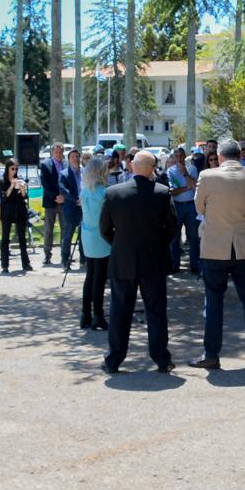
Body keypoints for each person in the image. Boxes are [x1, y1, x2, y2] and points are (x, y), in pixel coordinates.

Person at [98, 151, 178, 374]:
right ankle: (162, 359)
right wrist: (157, 244)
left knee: (120, 311)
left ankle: (114, 360)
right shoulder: (162, 193)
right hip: (153, 260)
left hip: (123, 260)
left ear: (132, 166)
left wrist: (120, 245)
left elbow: (104, 228)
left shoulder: (113, 193)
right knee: (156, 311)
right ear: (152, 169)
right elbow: (172, 227)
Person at [190, 140, 245, 369]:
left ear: (221, 156)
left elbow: (199, 208)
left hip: (216, 247)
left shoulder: (207, 176)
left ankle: (211, 353)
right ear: (239, 156)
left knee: (214, 302)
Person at [80, 156, 111, 330]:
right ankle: (97, 315)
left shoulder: (85, 191)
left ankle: (85, 314)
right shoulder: (104, 193)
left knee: (90, 277)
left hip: (88, 235)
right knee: (98, 279)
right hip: (100, 238)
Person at [167, 145, 201, 275]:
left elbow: (196, 186)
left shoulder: (192, 169)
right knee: (175, 238)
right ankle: (174, 265)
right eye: (177, 156)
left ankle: (195, 265)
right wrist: (187, 187)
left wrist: (185, 173)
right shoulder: (170, 171)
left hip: (191, 205)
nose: (180, 158)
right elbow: (173, 192)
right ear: (174, 157)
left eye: (182, 156)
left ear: (185, 156)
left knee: (193, 237)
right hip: (177, 206)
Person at [0, 159, 32, 274]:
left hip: (19, 211)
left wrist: (23, 190)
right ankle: (4, 265)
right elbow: (4, 197)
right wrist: (11, 186)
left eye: (16, 169)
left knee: (22, 238)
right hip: (7, 212)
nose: (14, 171)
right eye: (12, 168)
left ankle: (26, 263)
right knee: (5, 239)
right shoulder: (2, 181)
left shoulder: (20, 180)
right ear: (7, 168)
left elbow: (24, 197)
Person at [39, 142, 65, 266]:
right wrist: (56, 197)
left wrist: (64, 197)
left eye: (60, 152)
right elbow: (45, 184)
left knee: (65, 230)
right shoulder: (45, 165)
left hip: (64, 202)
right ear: (52, 152)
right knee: (49, 229)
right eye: (56, 152)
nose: (58, 154)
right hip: (51, 202)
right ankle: (47, 255)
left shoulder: (66, 165)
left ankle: (64, 255)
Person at [58, 149, 84, 269]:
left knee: (84, 234)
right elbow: (64, 190)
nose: (76, 159)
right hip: (71, 208)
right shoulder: (64, 174)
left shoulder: (85, 172)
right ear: (68, 160)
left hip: (85, 208)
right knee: (69, 234)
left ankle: (83, 259)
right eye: (73, 157)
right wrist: (76, 199)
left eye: (77, 156)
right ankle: (65, 259)